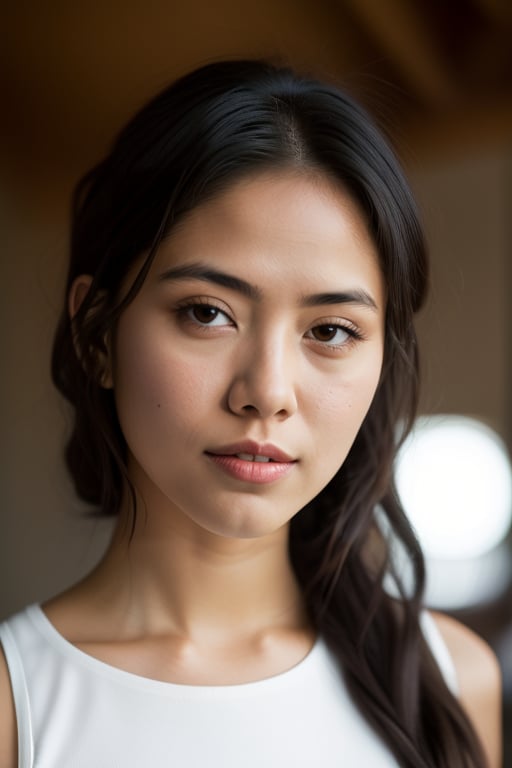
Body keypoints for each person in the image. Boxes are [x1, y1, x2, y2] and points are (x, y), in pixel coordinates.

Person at [0, 59, 501, 767]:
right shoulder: (15, 707)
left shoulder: (447, 683)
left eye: (330, 330)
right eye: (207, 313)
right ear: (98, 334)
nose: (266, 392)